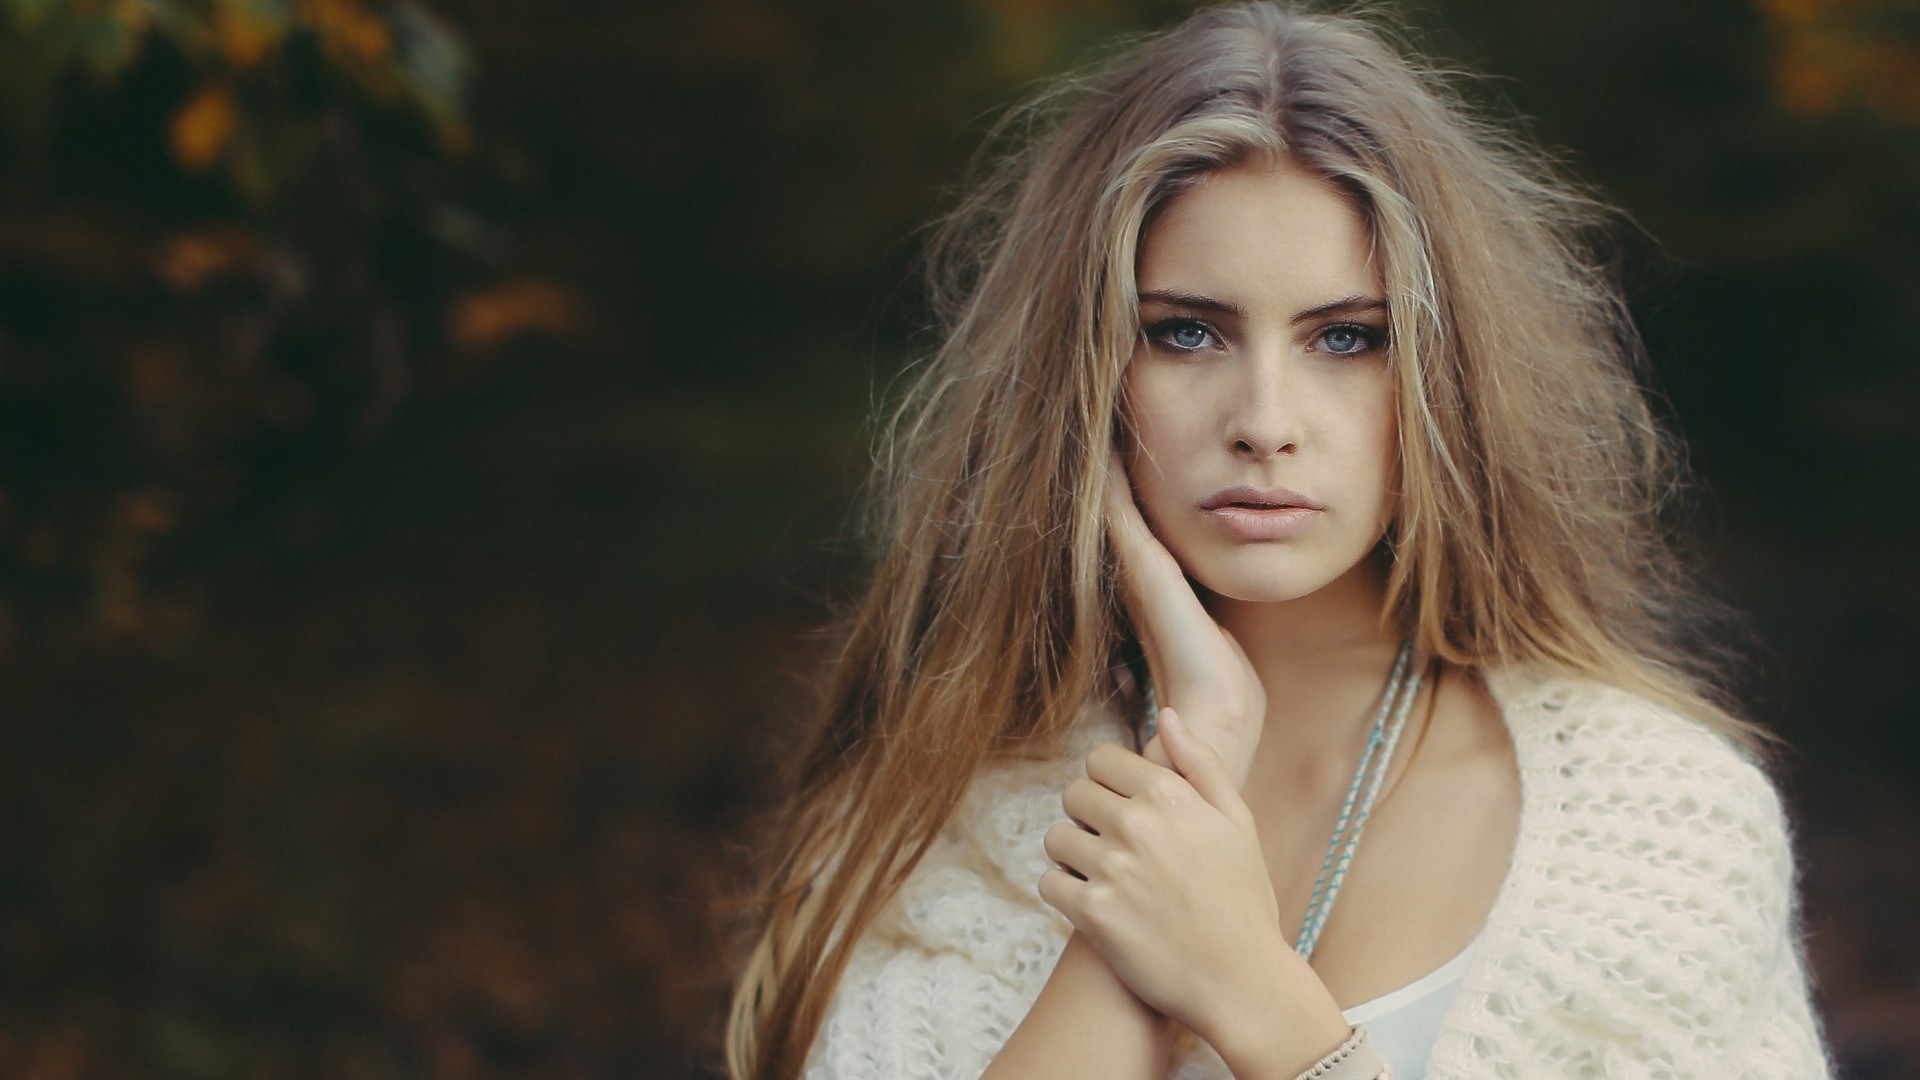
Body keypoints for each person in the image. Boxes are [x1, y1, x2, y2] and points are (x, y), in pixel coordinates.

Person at [720, 3, 1833, 1077]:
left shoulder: (1653, 823)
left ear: (1448, 379)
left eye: (1347, 338)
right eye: (1186, 333)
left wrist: (1253, 996)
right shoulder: (945, 807)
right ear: (1084, 378)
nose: (1263, 421)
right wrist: (1193, 760)